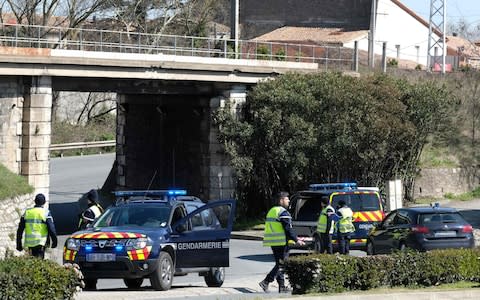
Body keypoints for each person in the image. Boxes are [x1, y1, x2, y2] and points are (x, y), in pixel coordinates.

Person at [259, 192, 305, 293]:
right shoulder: (283, 212)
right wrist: (297, 240)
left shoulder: (272, 211)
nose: (288, 201)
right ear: (281, 200)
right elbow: (288, 229)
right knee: (282, 264)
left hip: (273, 242)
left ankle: (282, 286)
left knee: (279, 264)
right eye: (286, 199)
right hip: (281, 243)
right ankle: (266, 281)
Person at [16, 193, 58, 259]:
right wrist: (54, 241)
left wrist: (19, 244)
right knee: (39, 263)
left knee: (31, 263)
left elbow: (20, 230)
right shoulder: (46, 213)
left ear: (35, 201)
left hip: (30, 244)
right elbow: (51, 229)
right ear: (44, 202)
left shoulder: (27, 212)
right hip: (41, 242)